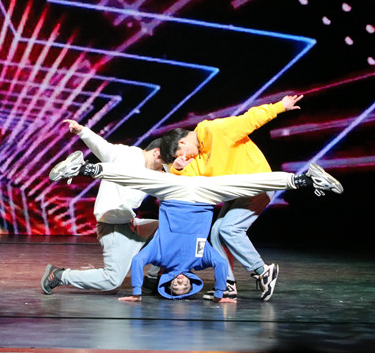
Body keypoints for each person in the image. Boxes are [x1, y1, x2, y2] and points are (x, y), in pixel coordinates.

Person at [49, 150, 343, 302]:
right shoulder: (201, 261)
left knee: (137, 178)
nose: (180, 282)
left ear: (167, 282)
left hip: (175, 193)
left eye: (175, 286)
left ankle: (84, 168)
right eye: (184, 286)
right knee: (250, 182)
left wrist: (137, 292)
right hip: (205, 196)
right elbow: (222, 265)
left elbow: (137, 262)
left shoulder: (160, 258)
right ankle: (306, 180)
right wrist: (220, 294)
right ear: (191, 282)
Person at [160, 94, 302, 301]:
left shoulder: (215, 130)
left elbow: (249, 119)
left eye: (180, 154)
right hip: (236, 194)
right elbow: (190, 179)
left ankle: (262, 270)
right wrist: (178, 168)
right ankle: (226, 284)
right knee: (217, 233)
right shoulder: (197, 157)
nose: (184, 158)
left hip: (257, 185)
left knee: (229, 229)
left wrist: (280, 106)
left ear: (182, 141)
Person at [41, 119, 162, 295]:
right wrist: (82, 131)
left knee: (168, 228)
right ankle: (59, 276)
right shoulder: (127, 155)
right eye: (166, 162)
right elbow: (103, 147)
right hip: (114, 228)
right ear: (157, 153)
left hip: (131, 224)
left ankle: (153, 278)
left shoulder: (153, 172)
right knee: (112, 280)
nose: (166, 167)